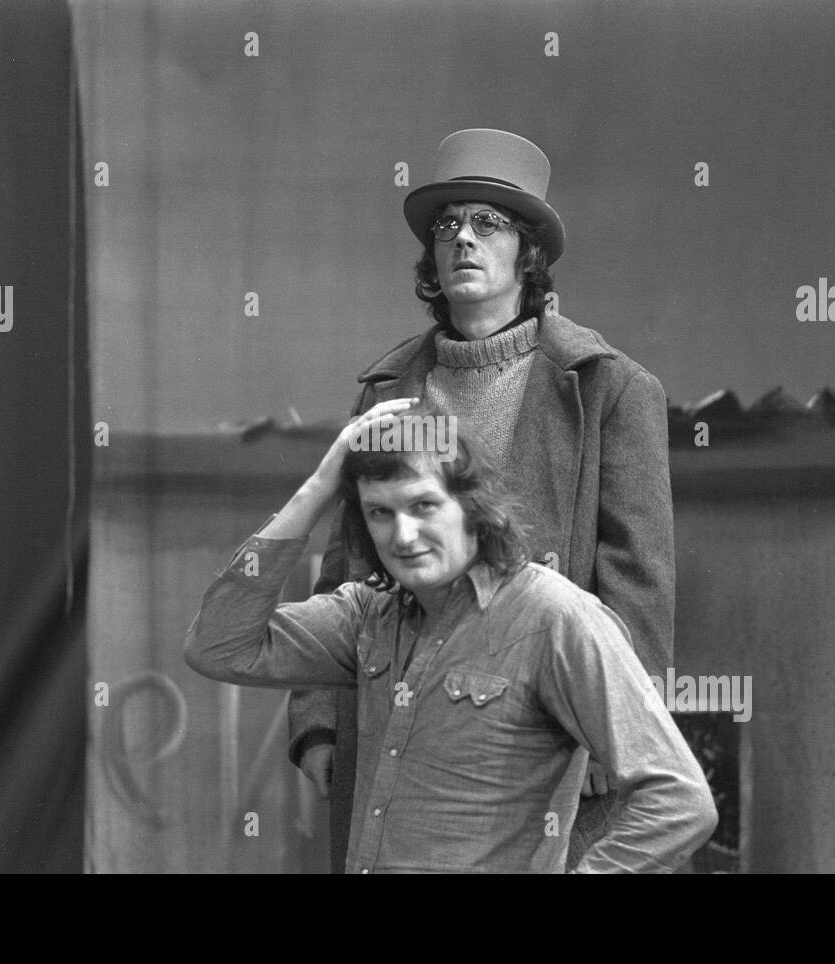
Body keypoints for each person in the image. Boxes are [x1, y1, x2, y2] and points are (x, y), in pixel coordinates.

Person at [288, 129, 678, 871]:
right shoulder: (388, 391)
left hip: (543, 736)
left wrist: (616, 739)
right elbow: (342, 570)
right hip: (400, 734)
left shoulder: (610, 390)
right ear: (431, 257)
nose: (463, 238)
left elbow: (641, 591)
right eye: (447, 225)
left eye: (488, 222)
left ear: (529, 254)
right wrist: (318, 724)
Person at [185, 403, 715, 873]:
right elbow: (218, 646)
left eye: (423, 506)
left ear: (473, 506)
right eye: (380, 513)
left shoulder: (555, 617)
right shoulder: (368, 614)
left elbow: (680, 799)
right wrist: (321, 484)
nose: (404, 535)